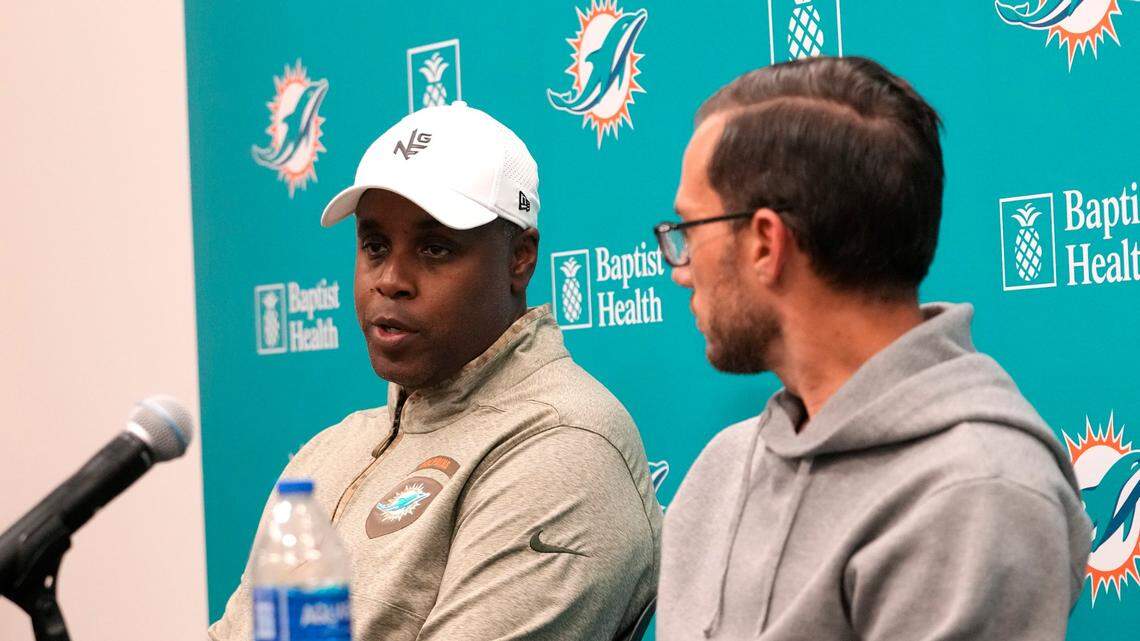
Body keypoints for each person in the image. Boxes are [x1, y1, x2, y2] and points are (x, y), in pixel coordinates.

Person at [653, 57, 1091, 640]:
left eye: (689, 230)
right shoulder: (721, 471)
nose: (679, 270)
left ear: (765, 243)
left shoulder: (976, 494)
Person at [209, 101, 662, 641]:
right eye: (375, 245)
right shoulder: (327, 453)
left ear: (520, 257)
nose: (391, 279)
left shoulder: (566, 445)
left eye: (435, 248)